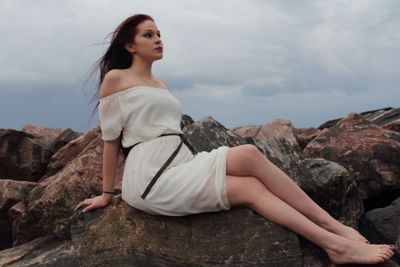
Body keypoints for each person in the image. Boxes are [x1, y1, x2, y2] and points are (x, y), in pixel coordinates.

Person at [74, 14, 395, 264]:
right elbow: (111, 139)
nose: (158, 40)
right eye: (148, 35)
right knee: (251, 189)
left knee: (249, 155)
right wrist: (106, 193)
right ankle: (336, 246)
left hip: (180, 160)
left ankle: (333, 226)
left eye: (159, 34)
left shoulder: (161, 83)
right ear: (130, 46)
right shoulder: (116, 79)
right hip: (150, 177)